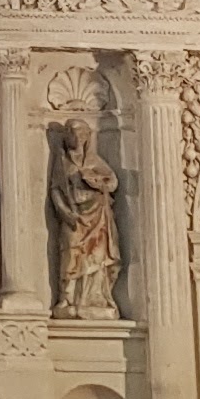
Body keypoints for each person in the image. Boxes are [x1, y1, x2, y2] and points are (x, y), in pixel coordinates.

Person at [52, 114, 123, 317]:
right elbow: (55, 189)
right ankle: (68, 297)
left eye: (81, 134)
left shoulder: (94, 161)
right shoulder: (62, 162)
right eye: (72, 133)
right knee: (71, 251)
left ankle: (94, 298)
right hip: (74, 216)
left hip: (97, 215)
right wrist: (64, 211)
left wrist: (96, 181)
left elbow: (112, 183)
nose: (76, 138)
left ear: (86, 137)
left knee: (96, 255)